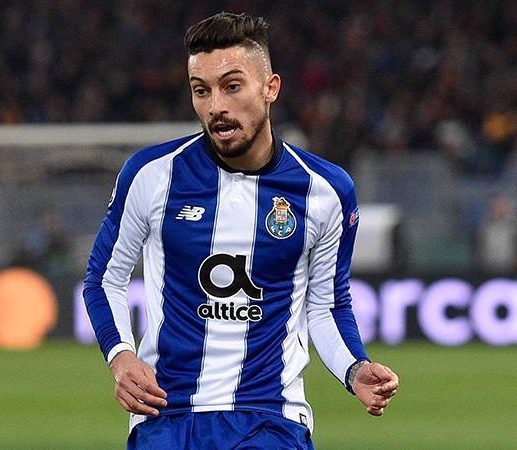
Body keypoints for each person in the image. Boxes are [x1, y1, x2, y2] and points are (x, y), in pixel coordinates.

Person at [84, 12, 398, 449]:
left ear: (270, 88)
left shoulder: (325, 190)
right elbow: (104, 279)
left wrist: (354, 368)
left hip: (270, 417)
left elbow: (326, 304)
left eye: (231, 86)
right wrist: (121, 356)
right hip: (166, 415)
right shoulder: (151, 175)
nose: (216, 106)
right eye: (201, 90)